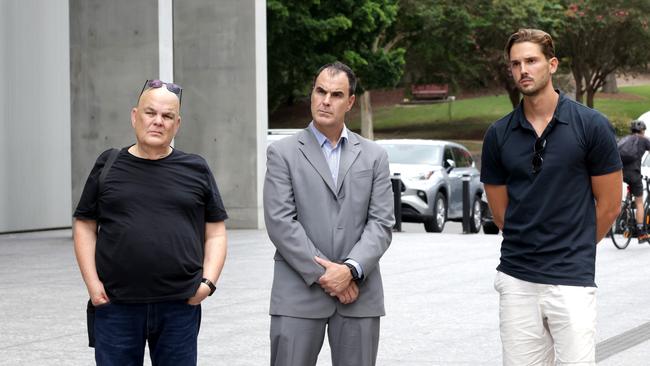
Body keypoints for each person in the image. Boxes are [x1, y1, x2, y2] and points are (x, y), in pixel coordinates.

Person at [481, 29, 622, 365]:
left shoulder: (591, 126)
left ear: (552, 64)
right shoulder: (498, 135)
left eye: (531, 60)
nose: (523, 70)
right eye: (515, 64)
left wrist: (575, 247)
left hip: (571, 279)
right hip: (517, 278)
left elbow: (610, 205)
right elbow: (501, 214)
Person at [73, 79, 228, 366]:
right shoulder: (108, 164)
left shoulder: (196, 168)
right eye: (150, 113)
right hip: (115, 306)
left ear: (177, 124)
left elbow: (216, 232)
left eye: (167, 116)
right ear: (135, 116)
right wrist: (93, 285)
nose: (158, 121)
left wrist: (207, 283)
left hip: (179, 307)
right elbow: (84, 224)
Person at [263, 61, 395, 366]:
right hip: (298, 292)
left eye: (336, 94)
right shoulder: (282, 153)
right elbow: (281, 222)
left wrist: (349, 270)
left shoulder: (375, 156)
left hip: (358, 295)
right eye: (320, 91)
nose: (325, 100)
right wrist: (328, 275)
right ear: (311, 94)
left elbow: (381, 223)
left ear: (350, 102)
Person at [619, 119, 650, 242]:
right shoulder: (643, 140)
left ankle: (625, 203)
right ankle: (641, 232)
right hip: (634, 174)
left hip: (620, 172)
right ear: (642, 130)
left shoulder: (624, 140)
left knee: (627, 188)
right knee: (639, 202)